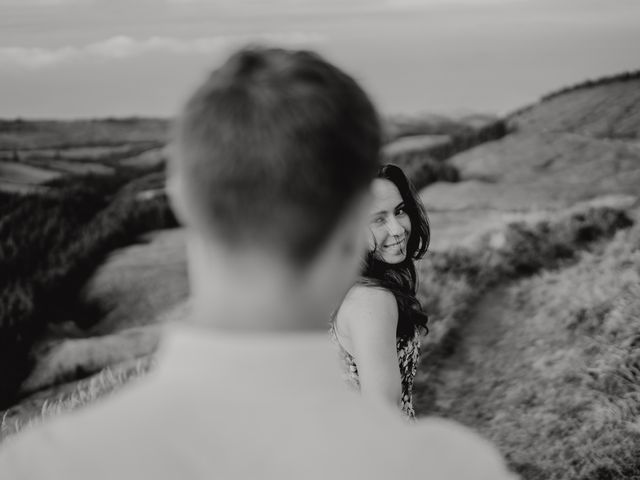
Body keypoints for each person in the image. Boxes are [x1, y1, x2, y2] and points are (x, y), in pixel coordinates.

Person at [0, 46, 517, 480]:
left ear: (181, 198)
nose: (395, 227)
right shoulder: (455, 467)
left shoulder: (37, 466)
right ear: (352, 216)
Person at [330, 163, 428, 419]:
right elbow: (384, 417)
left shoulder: (341, 285)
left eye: (400, 211)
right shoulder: (372, 300)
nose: (397, 229)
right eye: (378, 219)